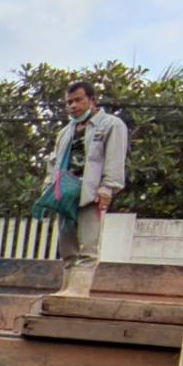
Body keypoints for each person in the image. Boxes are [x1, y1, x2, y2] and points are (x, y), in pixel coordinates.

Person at [42, 81, 128, 297]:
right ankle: (67, 287)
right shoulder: (65, 132)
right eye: (69, 102)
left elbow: (115, 158)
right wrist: (49, 188)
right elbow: (54, 162)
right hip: (65, 192)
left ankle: (79, 290)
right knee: (67, 246)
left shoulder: (111, 124)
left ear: (92, 100)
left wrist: (108, 188)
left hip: (90, 192)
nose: (73, 106)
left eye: (78, 100)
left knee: (87, 245)